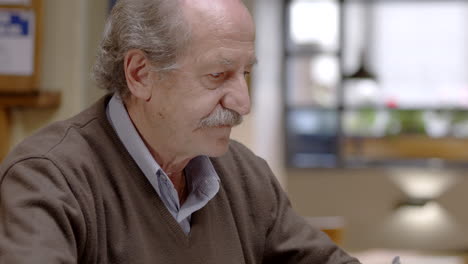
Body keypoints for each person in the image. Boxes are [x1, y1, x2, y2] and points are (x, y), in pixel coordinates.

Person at [0, 0, 361, 263]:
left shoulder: (246, 176)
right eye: (218, 75)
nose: (242, 102)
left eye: (245, 74)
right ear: (141, 74)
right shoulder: (48, 176)